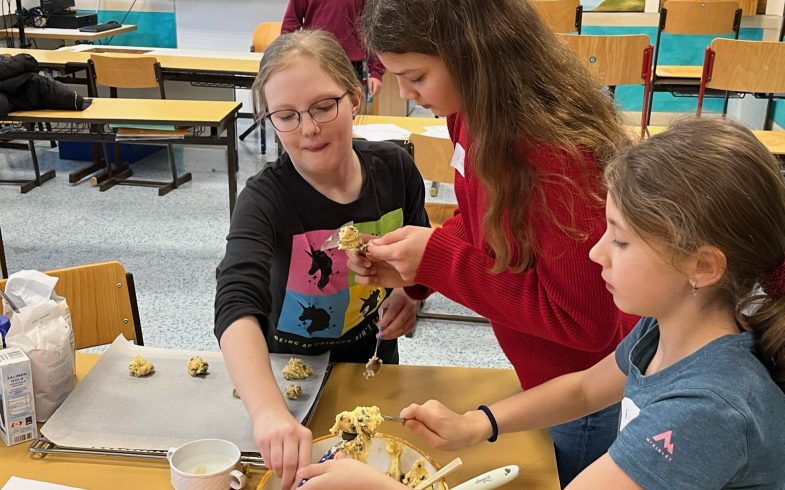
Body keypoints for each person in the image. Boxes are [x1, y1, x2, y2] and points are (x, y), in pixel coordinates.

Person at [298, 118, 785, 489]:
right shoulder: (671, 326)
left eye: (618, 239)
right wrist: (478, 423)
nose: (595, 253)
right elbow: (585, 386)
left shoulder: (707, 411)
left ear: (702, 267)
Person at [349, 0, 638, 484]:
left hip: (578, 387)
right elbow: (481, 217)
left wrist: (438, 263)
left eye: (416, 76)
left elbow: (585, 323)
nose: (405, 92)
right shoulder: (472, 110)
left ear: (470, 54)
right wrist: (417, 273)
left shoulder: (555, 157)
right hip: (541, 371)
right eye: (394, 74)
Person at [214, 30, 428, 489]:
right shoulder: (265, 198)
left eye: (322, 107)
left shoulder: (396, 170)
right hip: (285, 385)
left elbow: (422, 258)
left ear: (353, 98)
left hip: (370, 371)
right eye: (286, 116)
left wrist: (409, 294)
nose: (308, 129)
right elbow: (235, 304)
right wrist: (269, 411)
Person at [281, 0, 385, 99]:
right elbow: (290, 25)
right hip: (313, 61)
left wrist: (376, 72)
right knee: (314, 109)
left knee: (352, 112)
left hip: (351, 66)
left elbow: (373, 29)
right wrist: (287, 64)